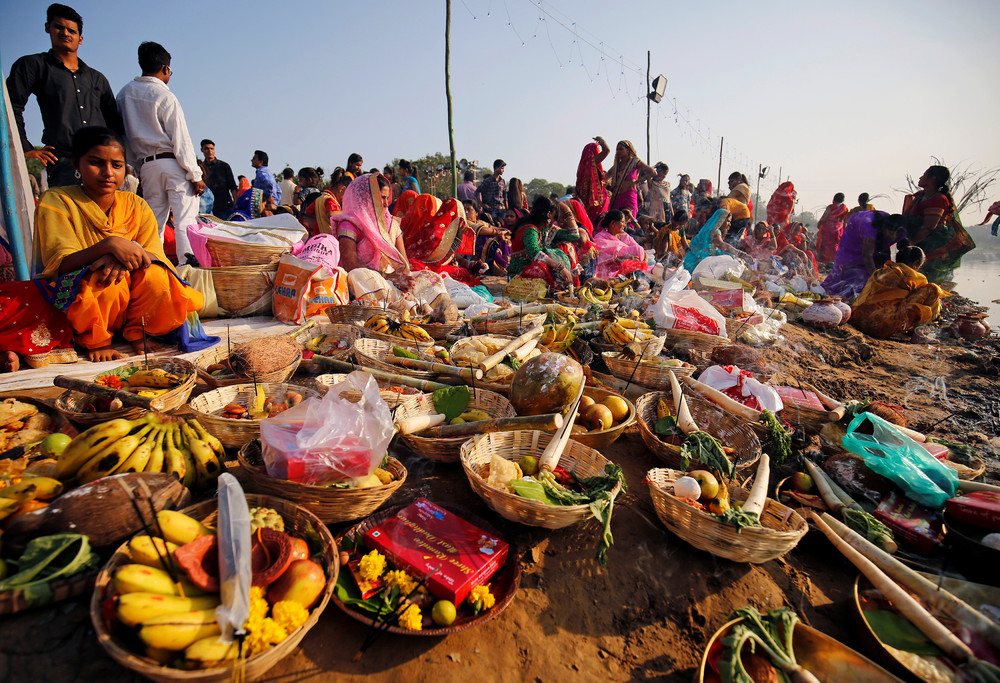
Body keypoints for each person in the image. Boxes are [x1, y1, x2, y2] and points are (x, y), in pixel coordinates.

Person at [18, 126, 205, 363]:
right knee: (105, 277)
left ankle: (140, 330)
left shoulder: (136, 204)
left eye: (117, 166)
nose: (108, 173)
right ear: (77, 164)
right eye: (96, 163)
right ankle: (96, 340)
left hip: (130, 291)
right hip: (84, 296)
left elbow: (154, 254)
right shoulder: (56, 200)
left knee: (157, 276)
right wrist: (109, 245)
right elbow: (61, 262)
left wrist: (120, 257)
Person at [7, 3, 124, 188]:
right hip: (64, 162)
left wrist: (118, 161)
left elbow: (115, 123)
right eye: (59, 27)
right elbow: (11, 105)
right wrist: (25, 147)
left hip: (102, 165)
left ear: (80, 38)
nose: (65, 33)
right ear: (48, 28)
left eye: (71, 30)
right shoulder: (34, 66)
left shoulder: (96, 78)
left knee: (104, 217)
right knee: (67, 216)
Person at [116, 41, 205, 265]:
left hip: (146, 165)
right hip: (171, 162)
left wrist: (136, 168)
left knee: (153, 221)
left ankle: (150, 266)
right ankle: (188, 269)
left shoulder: (124, 95)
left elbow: (123, 135)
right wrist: (195, 174)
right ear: (165, 69)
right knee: (185, 220)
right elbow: (181, 139)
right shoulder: (165, 96)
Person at [851, 246, 950, 339]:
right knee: (932, 289)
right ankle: (917, 332)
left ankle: (911, 328)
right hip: (883, 327)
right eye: (919, 266)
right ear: (915, 263)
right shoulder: (912, 276)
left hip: (861, 321)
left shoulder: (880, 272)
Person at [903, 165, 975, 284]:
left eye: (924, 175)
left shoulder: (938, 199)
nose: (920, 177)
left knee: (926, 278)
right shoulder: (920, 196)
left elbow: (929, 227)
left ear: (933, 178)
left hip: (932, 244)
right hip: (917, 240)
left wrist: (911, 242)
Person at [332, 173, 411, 280]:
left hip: (391, 279)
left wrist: (403, 279)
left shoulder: (392, 224)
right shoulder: (349, 224)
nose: (386, 204)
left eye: (387, 198)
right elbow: (350, 266)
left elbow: (404, 264)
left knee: (431, 279)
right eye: (382, 197)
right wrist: (387, 277)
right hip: (362, 281)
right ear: (366, 197)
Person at [822, 211, 906, 300]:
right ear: (884, 228)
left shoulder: (901, 232)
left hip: (875, 241)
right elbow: (867, 256)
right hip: (854, 236)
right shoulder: (869, 228)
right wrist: (877, 279)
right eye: (891, 233)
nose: (893, 238)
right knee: (851, 274)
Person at [508, 196, 574, 291]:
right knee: (542, 266)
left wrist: (567, 210)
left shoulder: (543, 230)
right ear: (548, 214)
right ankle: (556, 288)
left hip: (529, 270)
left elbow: (574, 235)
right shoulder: (530, 230)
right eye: (554, 217)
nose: (554, 222)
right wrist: (560, 268)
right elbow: (534, 252)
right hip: (518, 274)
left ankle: (561, 285)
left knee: (562, 249)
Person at [605, 140, 655, 217]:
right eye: (617, 149)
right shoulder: (616, 166)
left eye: (621, 149)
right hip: (616, 197)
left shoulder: (635, 162)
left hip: (629, 196)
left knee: (629, 219)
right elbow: (605, 177)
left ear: (628, 150)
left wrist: (636, 181)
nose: (618, 151)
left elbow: (652, 172)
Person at [465, 199, 511, 276]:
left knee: (501, 238)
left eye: (469, 210)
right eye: (464, 210)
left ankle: (503, 263)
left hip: (478, 249)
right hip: (469, 252)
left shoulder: (480, 222)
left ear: (476, 213)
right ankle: (493, 266)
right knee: (486, 238)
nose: (466, 212)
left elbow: (493, 228)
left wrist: (505, 232)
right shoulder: (466, 223)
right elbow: (483, 230)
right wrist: (499, 233)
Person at [575, 137, 611, 228]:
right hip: (597, 202)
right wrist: (602, 141)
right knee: (599, 224)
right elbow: (607, 151)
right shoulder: (592, 162)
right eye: (597, 150)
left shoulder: (581, 167)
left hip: (585, 202)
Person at [200, 139, 237, 218]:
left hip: (224, 206)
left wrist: (236, 202)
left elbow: (233, 186)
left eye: (211, 149)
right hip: (206, 207)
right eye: (206, 148)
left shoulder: (224, 166)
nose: (209, 151)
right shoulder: (200, 168)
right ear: (202, 150)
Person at [815, 192, 850, 266]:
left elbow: (824, 217)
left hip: (828, 228)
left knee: (825, 245)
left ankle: (826, 263)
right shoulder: (845, 209)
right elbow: (845, 222)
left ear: (834, 199)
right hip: (839, 229)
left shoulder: (831, 207)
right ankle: (835, 262)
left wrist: (819, 224)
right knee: (836, 245)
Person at [720, 182, 753, 248]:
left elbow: (724, 218)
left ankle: (731, 250)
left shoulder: (723, 205)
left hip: (742, 215)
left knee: (732, 237)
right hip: (739, 214)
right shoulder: (725, 202)